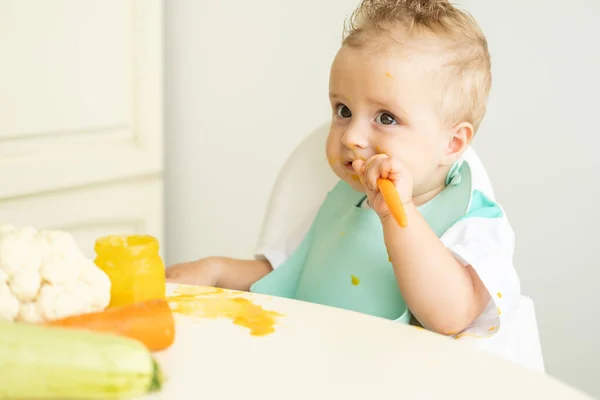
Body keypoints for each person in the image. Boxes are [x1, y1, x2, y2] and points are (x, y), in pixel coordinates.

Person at [166, 0, 520, 342]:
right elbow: (286, 275)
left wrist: (399, 215)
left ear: (453, 144)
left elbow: (449, 316)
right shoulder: (341, 205)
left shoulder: (475, 227)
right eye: (343, 110)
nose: (351, 136)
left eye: (386, 118)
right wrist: (215, 271)